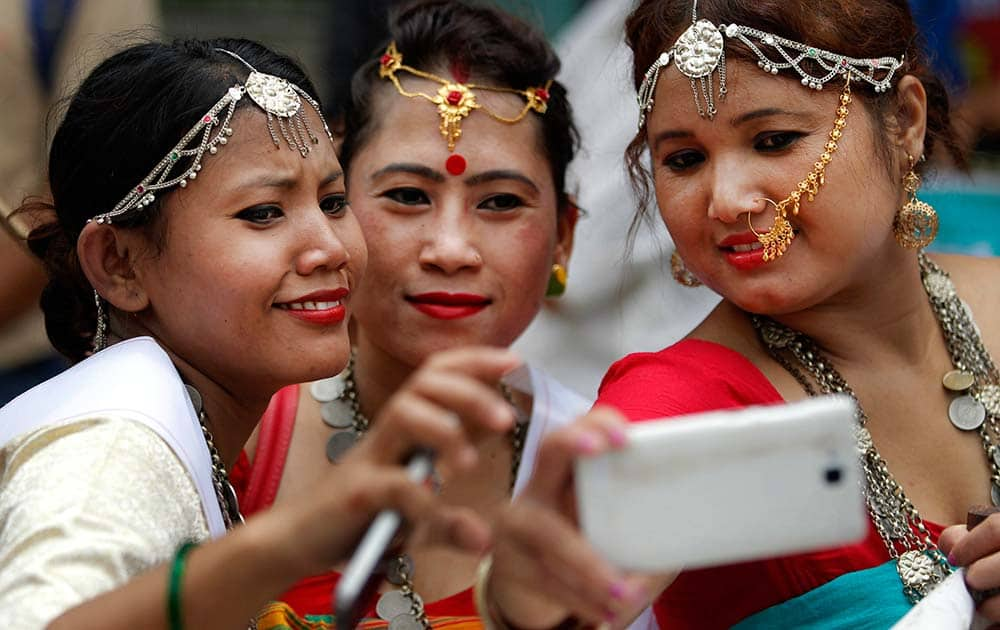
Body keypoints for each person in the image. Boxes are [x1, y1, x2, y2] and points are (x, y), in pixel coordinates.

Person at [479, 0, 1000, 628]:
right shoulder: (676, 408)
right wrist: (520, 600)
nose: (724, 202)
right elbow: (561, 594)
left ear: (905, 122)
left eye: (773, 140)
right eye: (684, 160)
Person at [0, 37, 522, 630]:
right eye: (263, 213)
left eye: (332, 201)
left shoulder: (179, 423)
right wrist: (287, 542)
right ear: (120, 263)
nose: (328, 248)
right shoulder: (113, 451)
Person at [231, 2, 655, 628]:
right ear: (334, 209)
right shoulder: (238, 433)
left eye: (502, 202)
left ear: (563, 238)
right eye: (407, 196)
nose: (451, 249)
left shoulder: (592, 470)